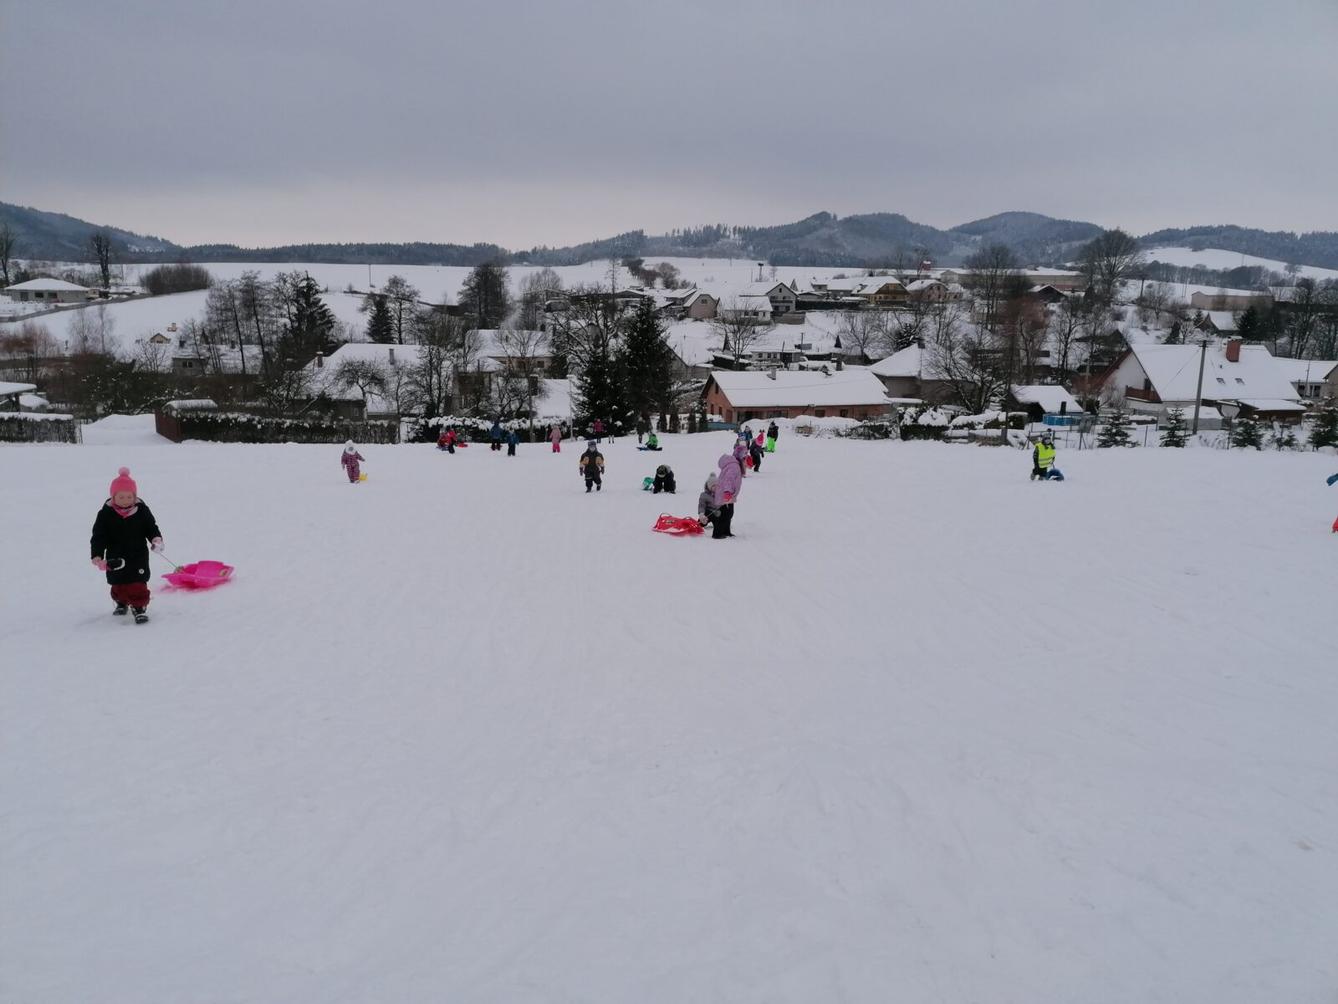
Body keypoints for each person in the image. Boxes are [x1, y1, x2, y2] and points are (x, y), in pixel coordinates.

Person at [90, 467, 163, 624]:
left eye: (129, 496)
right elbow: (98, 536)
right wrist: (97, 554)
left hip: (138, 554)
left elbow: (151, 527)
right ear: (113, 497)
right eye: (121, 497)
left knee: (137, 583)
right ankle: (121, 602)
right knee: (118, 583)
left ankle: (139, 607)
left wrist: (155, 539)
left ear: (134, 496)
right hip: (115, 555)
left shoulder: (141, 511)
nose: (125, 500)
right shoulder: (105, 514)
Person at [711, 453, 743, 538]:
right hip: (725, 495)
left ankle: (726, 531)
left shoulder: (732, 466)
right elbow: (728, 480)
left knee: (729, 514)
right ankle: (717, 534)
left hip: (728, 495)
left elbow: (729, 480)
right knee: (724, 515)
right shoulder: (733, 467)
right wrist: (727, 492)